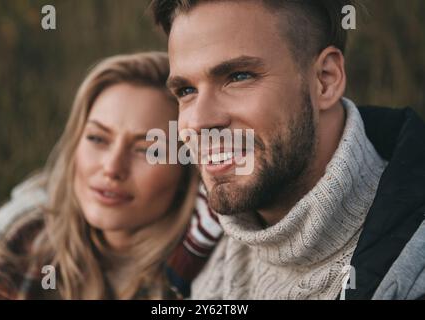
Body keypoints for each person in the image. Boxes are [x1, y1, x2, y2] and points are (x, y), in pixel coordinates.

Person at [151, 0, 425, 299]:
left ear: (325, 80)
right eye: (186, 91)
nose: (200, 121)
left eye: (239, 77)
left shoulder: (410, 274)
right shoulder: (195, 240)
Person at [0, 52, 222, 299]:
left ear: (188, 167)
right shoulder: (22, 234)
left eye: (146, 150)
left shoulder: (216, 266)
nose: (112, 168)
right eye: (97, 138)